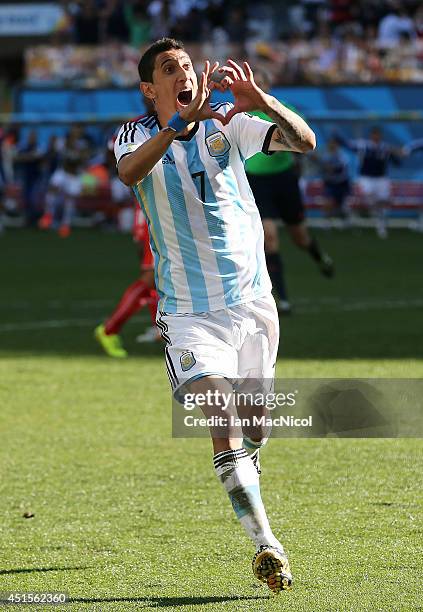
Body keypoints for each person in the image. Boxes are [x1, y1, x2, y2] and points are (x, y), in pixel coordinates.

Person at [114, 37, 316, 594]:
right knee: (221, 415)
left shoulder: (226, 122)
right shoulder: (134, 136)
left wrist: (262, 100)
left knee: (254, 427)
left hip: (252, 302)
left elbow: (305, 142)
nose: (182, 73)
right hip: (187, 313)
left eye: (185, 64)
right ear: (149, 89)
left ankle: (249, 468)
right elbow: (130, 174)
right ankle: (267, 545)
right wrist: (175, 128)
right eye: (168, 68)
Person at [245, 70, 334, 314]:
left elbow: (302, 140)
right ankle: (282, 299)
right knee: (269, 238)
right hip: (257, 182)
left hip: (284, 180)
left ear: (267, 85)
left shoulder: (282, 109)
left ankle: (320, 257)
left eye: (260, 83)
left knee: (300, 237)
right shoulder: (240, 114)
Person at [94, 206, 159, 358]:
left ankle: (160, 327)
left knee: (156, 281)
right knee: (150, 279)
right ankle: (108, 330)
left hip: (159, 222)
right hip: (157, 223)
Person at [335, 127, 403, 238]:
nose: (376, 137)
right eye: (374, 135)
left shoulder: (385, 148)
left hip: (381, 178)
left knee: (383, 200)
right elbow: (349, 146)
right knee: (367, 194)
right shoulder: (364, 145)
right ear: (371, 136)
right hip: (366, 177)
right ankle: (367, 213)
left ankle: (380, 225)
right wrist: (337, 137)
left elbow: (397, 162)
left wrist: (398, 154)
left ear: (380, 136)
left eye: (378, 135)